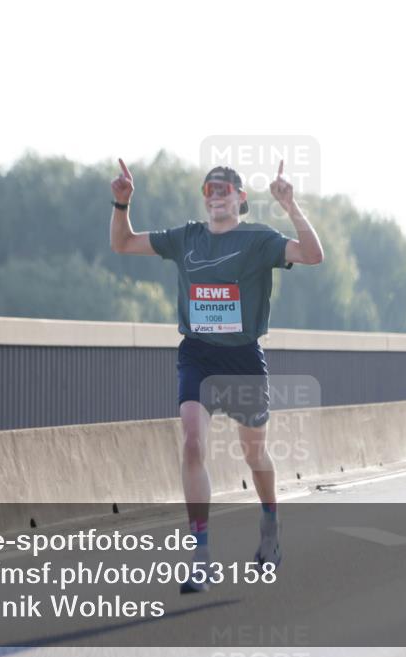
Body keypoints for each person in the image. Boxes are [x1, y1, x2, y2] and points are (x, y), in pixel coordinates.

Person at [109, 159, 324, 593]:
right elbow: (124, 244)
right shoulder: (186, 237)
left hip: (243, 358)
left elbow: (313, 255)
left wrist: (290, 206)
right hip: (198, 355)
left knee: (254, 456)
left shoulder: (258, 239)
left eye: (225, 188)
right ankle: (201, 556)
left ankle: (269, 526)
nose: (217, 194)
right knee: (192, 443)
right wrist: (121, 202)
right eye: (210, 189)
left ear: (241, 198)